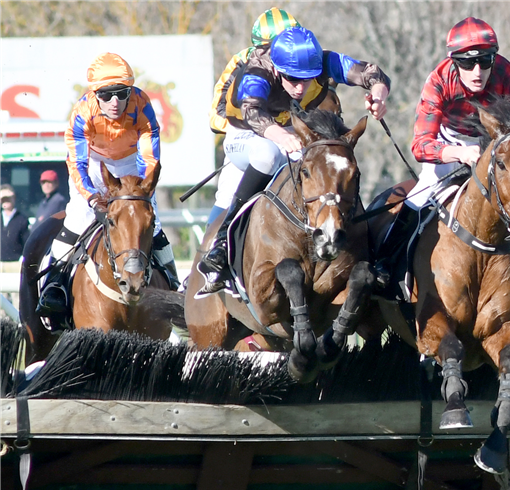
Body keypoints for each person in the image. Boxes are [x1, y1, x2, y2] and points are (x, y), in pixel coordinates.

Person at [375, 17, 510, 293]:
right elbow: (420, 145)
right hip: (449, 142)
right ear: (455, 61)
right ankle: (385, 261)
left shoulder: (506, 73)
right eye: (467, 63)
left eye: (485, 61)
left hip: (496, 142)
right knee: (419, 195)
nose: (477, 71)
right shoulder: (440, 79)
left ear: (494, 58)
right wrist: (458, 152)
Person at [196, 25, 391, 295]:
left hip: (289, 128)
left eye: (307, 79)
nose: (300, 88)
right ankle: (222, 245)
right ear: (277, 68)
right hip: (247, 132)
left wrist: (379, 95)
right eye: (292, 79)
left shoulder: (323, 61)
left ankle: (364, 250)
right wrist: (278, 135)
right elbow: (252, 112)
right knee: (269, 154)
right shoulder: (259, 69)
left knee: (331, 158)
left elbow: (371, 72)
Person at [36, 52, 180, 317]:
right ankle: (53, 286)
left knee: (151, 222)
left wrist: (140, 191)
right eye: (106, 95)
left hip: (129, 163)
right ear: (95, 94)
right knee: (78, 220)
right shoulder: (82, 112)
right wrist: (92, 197)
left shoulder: (142, 104)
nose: (115, 102)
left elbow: (149, 155)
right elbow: (77, 163)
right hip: (93, 162)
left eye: (122, 93)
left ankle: (173, 283)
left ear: (131, 91)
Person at [206, 7, 301, 226]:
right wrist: (262, 129)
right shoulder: (242, 63)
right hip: (248, 139)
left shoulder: (303, 61)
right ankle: (213, 248)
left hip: (291, 136)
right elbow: (216, 116)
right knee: (227, 194)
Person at [0, 184, 29, 262]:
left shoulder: (22, 219)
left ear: (14, 198)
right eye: (4, 199)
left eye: (8, 198)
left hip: (15, 264)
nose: (6, 201)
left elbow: (26, 242)